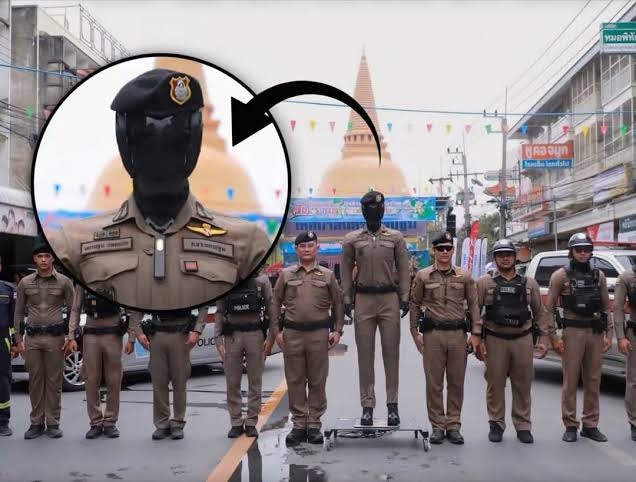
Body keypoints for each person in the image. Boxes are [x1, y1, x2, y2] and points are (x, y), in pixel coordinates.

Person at [48, 68, 271, 311]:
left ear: (194, 140)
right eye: (145, 138)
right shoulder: (72, 244)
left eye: (175, 139)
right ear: (125, 141)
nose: (160, 154)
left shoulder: (247, 245)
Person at [340, 191, 410, 427]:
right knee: (365, 355)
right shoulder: (352, 240)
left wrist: (405, 296)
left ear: (383, 210)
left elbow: (404, 268)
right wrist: (346, 299)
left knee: (392, 354)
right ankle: (367, 406)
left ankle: (393, 405)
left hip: (389, 298)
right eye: (370, 209)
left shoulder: (396, 238)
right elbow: (345, 270)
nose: (374, 212)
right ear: (363, 211)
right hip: (364, 300)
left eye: (378, 209)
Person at [475, 239, 550, 444]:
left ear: (515, 257)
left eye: (508, 254)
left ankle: (523, 425)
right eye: (500, 255)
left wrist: (544, 338)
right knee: (495, 383)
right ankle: (496, 424)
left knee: (523, 383)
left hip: (522, 338)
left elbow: (540, 313)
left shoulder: (529, 283)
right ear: (495, 258)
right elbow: (474, 312)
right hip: (495, 338)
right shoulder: (484, 283)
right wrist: (477, 339)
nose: (505, 258)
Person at [272, 231, 344, 446]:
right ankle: (298, 424)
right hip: (292, 334)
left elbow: (338, 303)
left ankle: (313, 424)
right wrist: (276, 332)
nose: (306, 249)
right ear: (296, 249)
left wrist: (337, 330)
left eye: (310, 245)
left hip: (318, 335)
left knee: (317, 380)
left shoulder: (327, 275)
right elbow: (275, 303)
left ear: (316, 248)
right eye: (302, 246)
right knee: (295, 380)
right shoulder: (286, 275)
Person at [409, 231, 480, 445]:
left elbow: (474, 304)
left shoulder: (464, 276)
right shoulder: (423, 276)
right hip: (433, 335)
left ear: (453, 250)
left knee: (456, 382)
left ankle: (454, 425)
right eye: (441, 249)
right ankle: (438, 426)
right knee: (435, 384)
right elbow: (414, 304)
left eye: (448, 248)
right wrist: (414, 332)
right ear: (434, 251)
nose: (445, 252)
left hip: (458, 334)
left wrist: (476, 333)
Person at [545, 232, 612, 443]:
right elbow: (549, 309)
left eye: (587, 250)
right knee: (571, 379)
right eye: (579, 250)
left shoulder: (598, 276)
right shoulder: (560, 276)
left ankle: (590, 424)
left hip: (594, 332)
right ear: (571, 252)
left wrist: (608, 333)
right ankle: (570, 424)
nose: (583, 253)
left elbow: (606, 307)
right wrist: (554, 338)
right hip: (572, 332)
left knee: (593, 379)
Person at [13, 237, 74, 439]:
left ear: (53, 258)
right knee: (35, 381)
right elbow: (18, 312)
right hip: (32, 338)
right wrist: (18, 339)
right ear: (35, 259)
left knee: (54, 381)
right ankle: (36, 422)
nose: (44, 260)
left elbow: (73, 310)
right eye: (40, 256)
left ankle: (53, 422)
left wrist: (71, 336)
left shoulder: (64, 282)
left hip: (55, 338)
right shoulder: (25, 283)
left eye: (47, 256)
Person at [67, 285, 135, 439]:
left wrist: (131, 337)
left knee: (114, 379)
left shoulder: (118, 278)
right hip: (91, 333)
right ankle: (95, 422)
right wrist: (71, 335)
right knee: (91, 379)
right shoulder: (84, 278)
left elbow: (131, 307)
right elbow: (76, 308)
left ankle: (110, 421)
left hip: (113, 332)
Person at [130, 306, 207, 440]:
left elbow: (203, 304)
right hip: (157, 333)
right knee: (158, 380)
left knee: (180, 380)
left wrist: (197, 331)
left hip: (180, 333)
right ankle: (162, 424)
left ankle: (178, 422)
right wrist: (138, 332)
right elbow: (137, 306)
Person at [215, 272, 274, 439]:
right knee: (232, 381)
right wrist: (218, 340)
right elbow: (219, 311)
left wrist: (270, 337)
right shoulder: (225, 279)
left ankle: (251, 422)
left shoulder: (262, 280)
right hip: (232, 336)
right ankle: (235, 422)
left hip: (255, 334)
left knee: (255, 381)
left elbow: (271, 307)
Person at [611, 264, 636, 441]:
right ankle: (634, 422)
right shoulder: (627, 277)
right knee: (634, 380)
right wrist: (620, 337)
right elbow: (618, 308)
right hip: (635, 333)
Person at [0, 255, 16, 436]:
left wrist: (16, 343)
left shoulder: (8, 290)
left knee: (3, 381)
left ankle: (3, 421)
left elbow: (14, 319)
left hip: (1, 339)